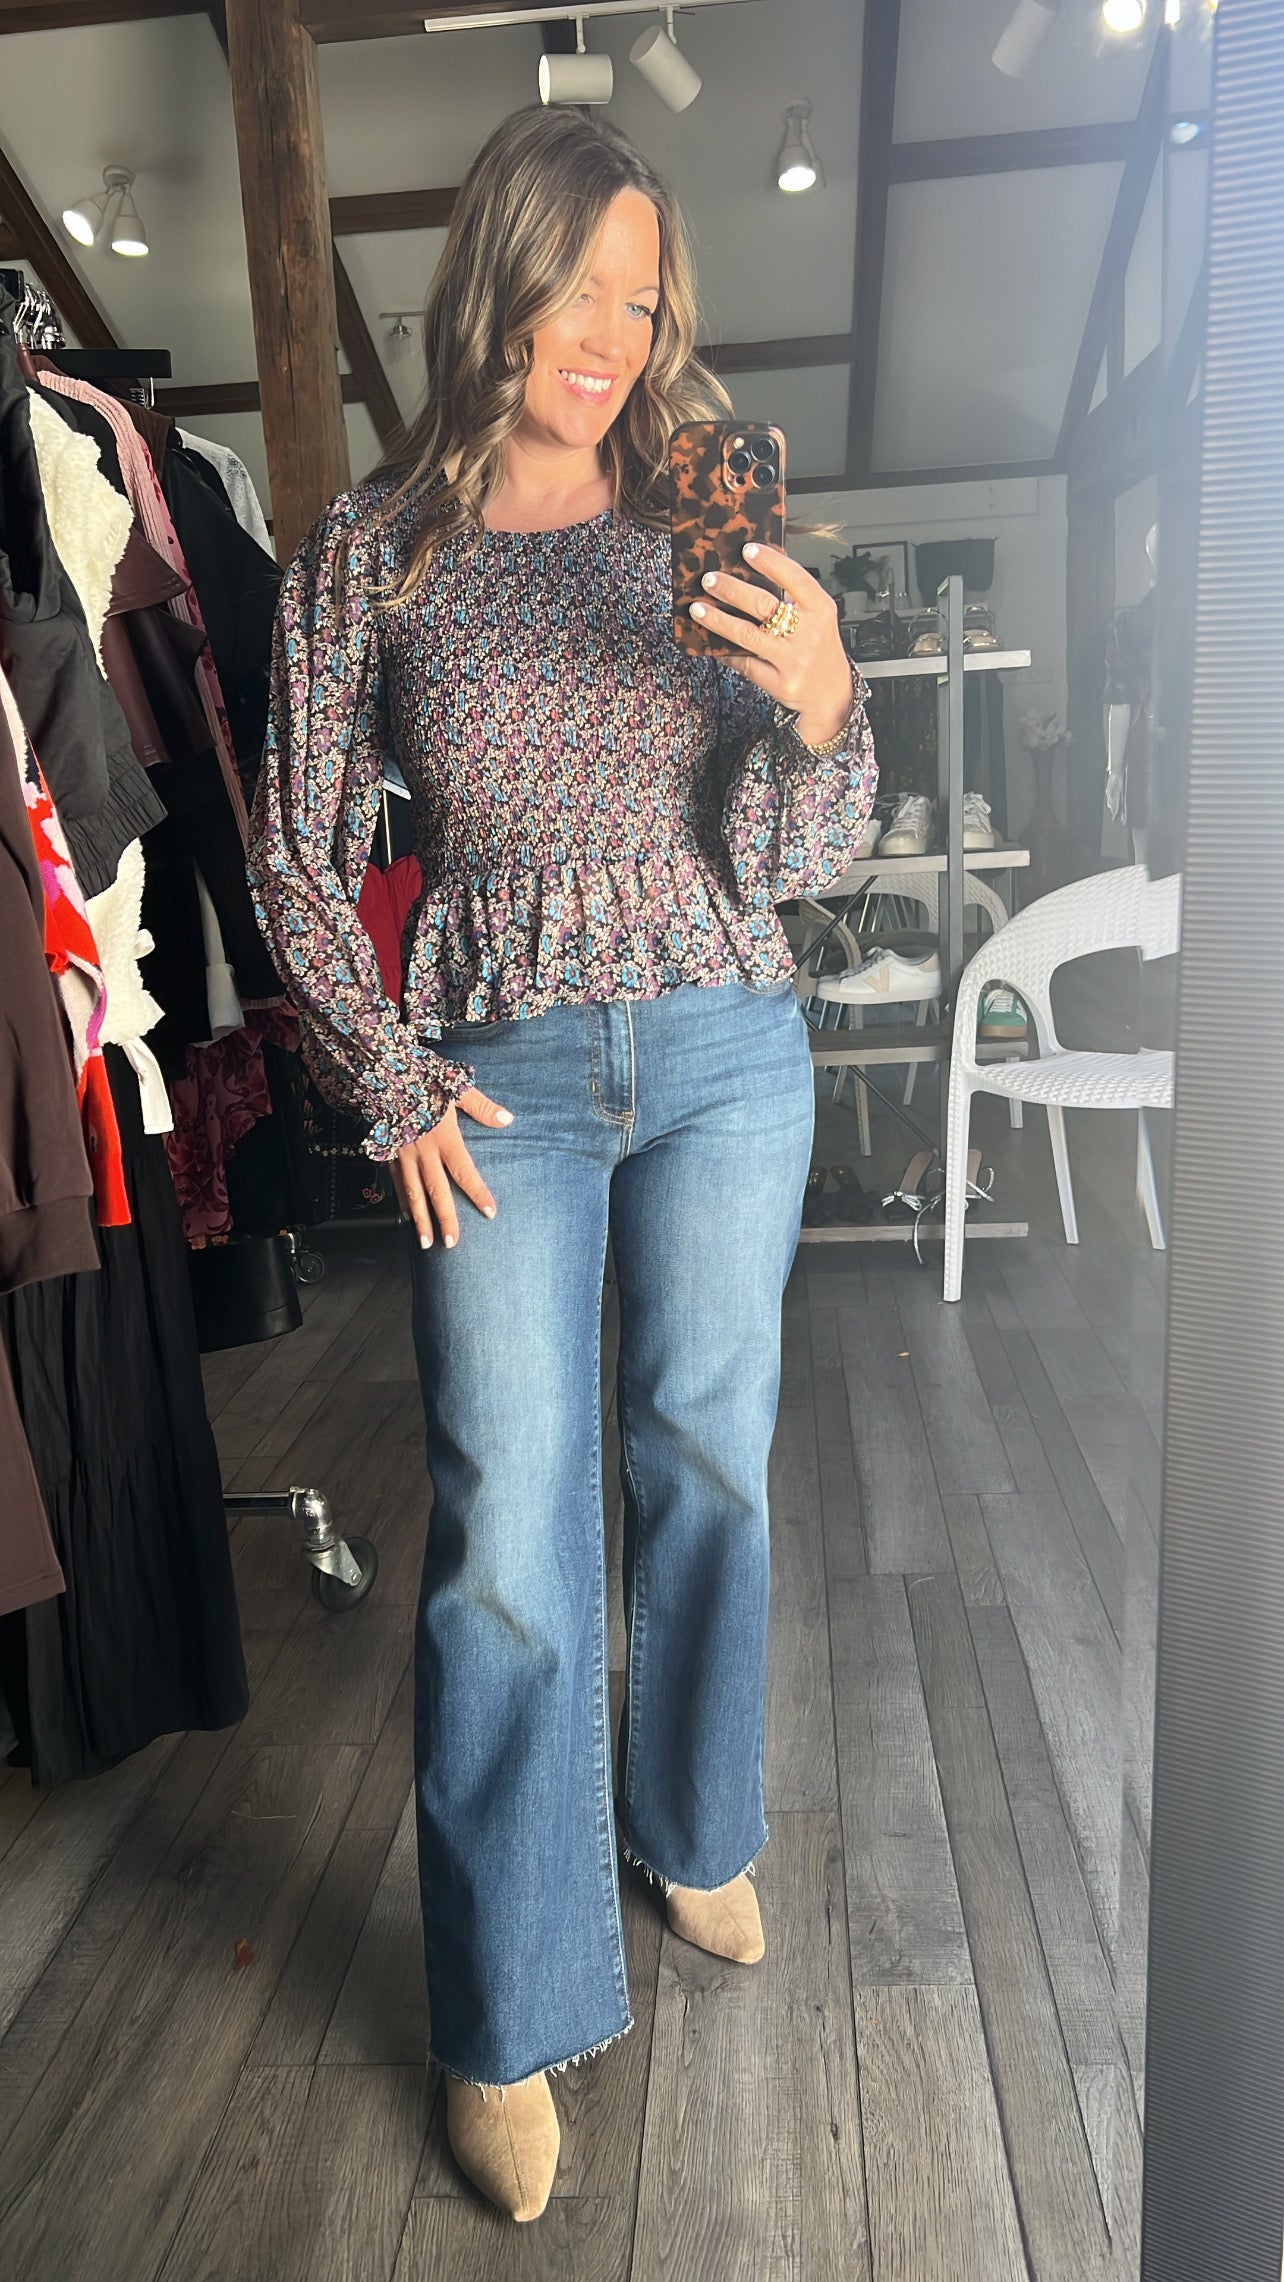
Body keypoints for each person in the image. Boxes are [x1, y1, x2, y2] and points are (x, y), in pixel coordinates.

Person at [249, 103, 876, 2225]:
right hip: (501, 1070)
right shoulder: (373, 553)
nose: (612, 334)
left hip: (722, 1044)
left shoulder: (698, 517)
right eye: (577, 287)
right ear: (493, 281)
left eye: (642, 295)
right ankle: (503, 2010)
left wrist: (822, 697)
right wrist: (392, 1078)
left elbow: (798, 856)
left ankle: (694, 1826)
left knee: (708, 1456)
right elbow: (293, 851)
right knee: (508, 1528)